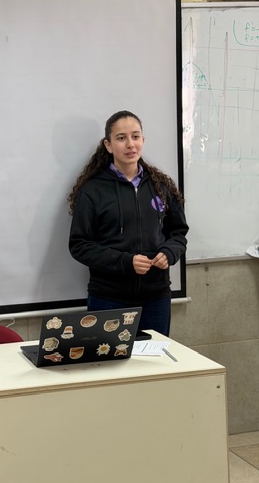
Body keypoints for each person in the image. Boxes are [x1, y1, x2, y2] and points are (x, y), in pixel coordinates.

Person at [68, 110, 188, 336]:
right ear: (108, 145)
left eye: (135, 136)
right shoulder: (93, 190)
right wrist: (125, 261)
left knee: (153, 358)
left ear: (143, 140)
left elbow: (178, 233)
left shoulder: (160, 186)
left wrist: (169, 253)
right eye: (121, 138)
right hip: (109, 298)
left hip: (156, 297)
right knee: (109, 359)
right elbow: (80, 245)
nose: (130, 144)